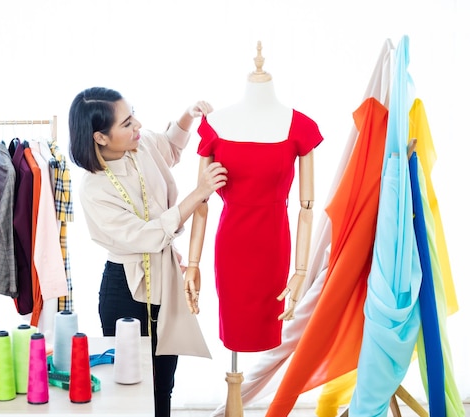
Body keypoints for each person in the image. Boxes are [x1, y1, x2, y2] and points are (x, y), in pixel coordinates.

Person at [68, 86, 227, 417]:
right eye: (126, 123)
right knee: (130, 388)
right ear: (100, 138)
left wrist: (187, 115)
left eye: (133, 113)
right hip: (126, 289)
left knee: (163, 384)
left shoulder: (140, 147)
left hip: (165, 278)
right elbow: (146, 235)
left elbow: (169, 145)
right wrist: (199, 193)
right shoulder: (94, 189)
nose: (137, 125)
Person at [184, 43, 324, 354]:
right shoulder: (216, 125)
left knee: (266, 331)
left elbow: (307, 207)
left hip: (273, 249)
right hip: (231, 248)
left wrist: (301, 271)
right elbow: (201, 200)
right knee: (234, 334)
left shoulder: (299, 127)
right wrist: (193, 263)